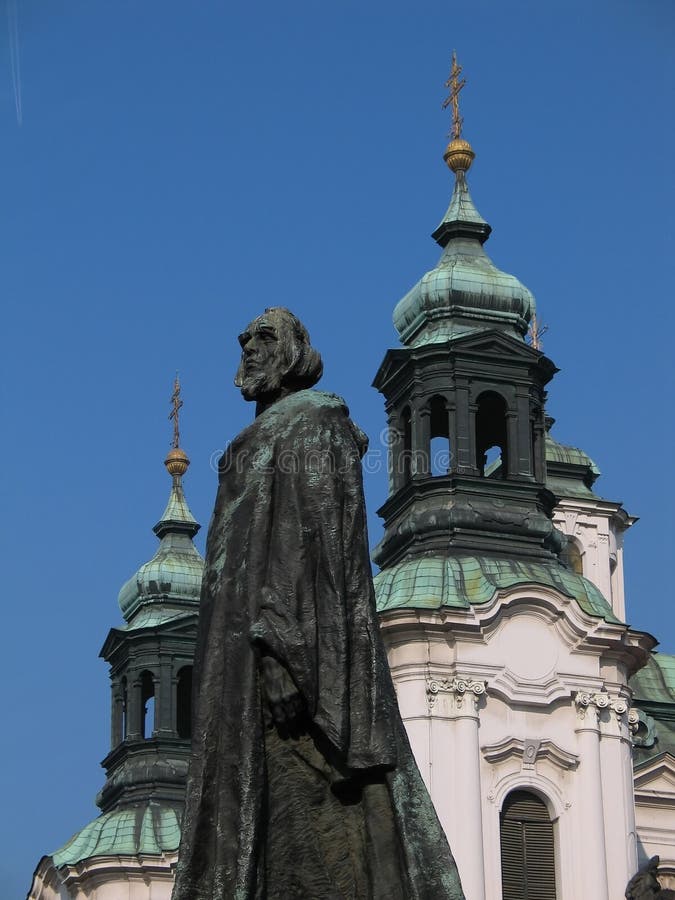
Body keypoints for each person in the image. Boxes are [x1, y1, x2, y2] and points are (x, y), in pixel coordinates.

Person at [172, 307, 465, 900]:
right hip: (239, 668)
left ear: (296, 352)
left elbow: (319, 542)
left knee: (310, 825)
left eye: (265, 338)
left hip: (288, 663)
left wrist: (283, 648)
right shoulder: (248, 444)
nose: (250, 349)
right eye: (244, 340)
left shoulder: (314, 421)